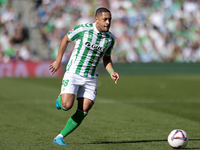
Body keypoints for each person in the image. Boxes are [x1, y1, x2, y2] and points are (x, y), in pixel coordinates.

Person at [49, 7, 119, 145]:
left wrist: (112, 72)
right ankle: (60, 99)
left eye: (109, 20)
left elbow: (106, 58)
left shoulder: (110, 39)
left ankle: (59, 137)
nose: (107, 22)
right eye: (105, 19)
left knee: (84, 109)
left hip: (91, 77)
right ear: (96, 19)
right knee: (66, 106)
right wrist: (58, 60)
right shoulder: (84, 29)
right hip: (74, 72)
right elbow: (65, 39)